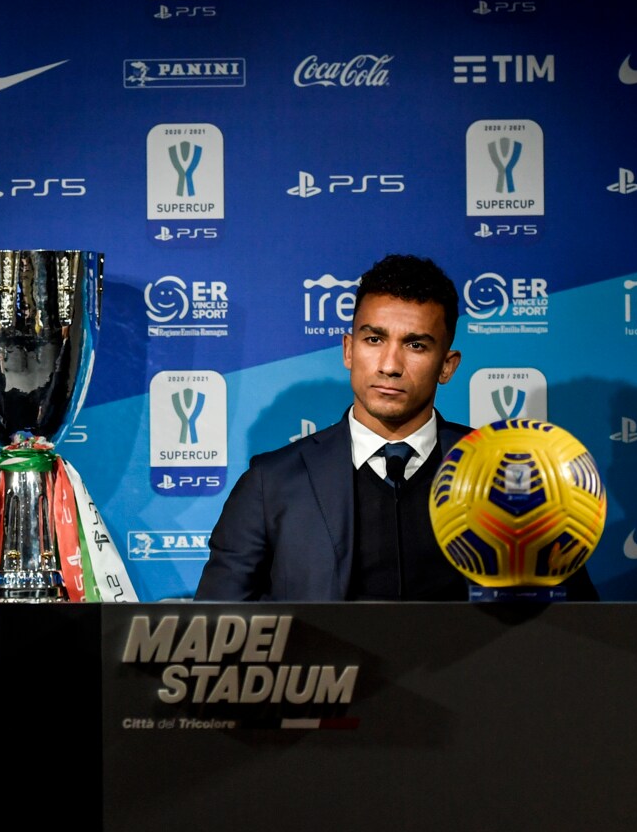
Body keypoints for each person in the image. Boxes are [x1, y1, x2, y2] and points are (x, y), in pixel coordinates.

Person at [197, 253, 595, 601]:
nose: (390, 365)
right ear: (348, 350)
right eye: (374, 340)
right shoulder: (270, 483)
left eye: (416, 345)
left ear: (447, 366)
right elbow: (215, 634)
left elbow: (574, 628)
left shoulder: (511, 476)